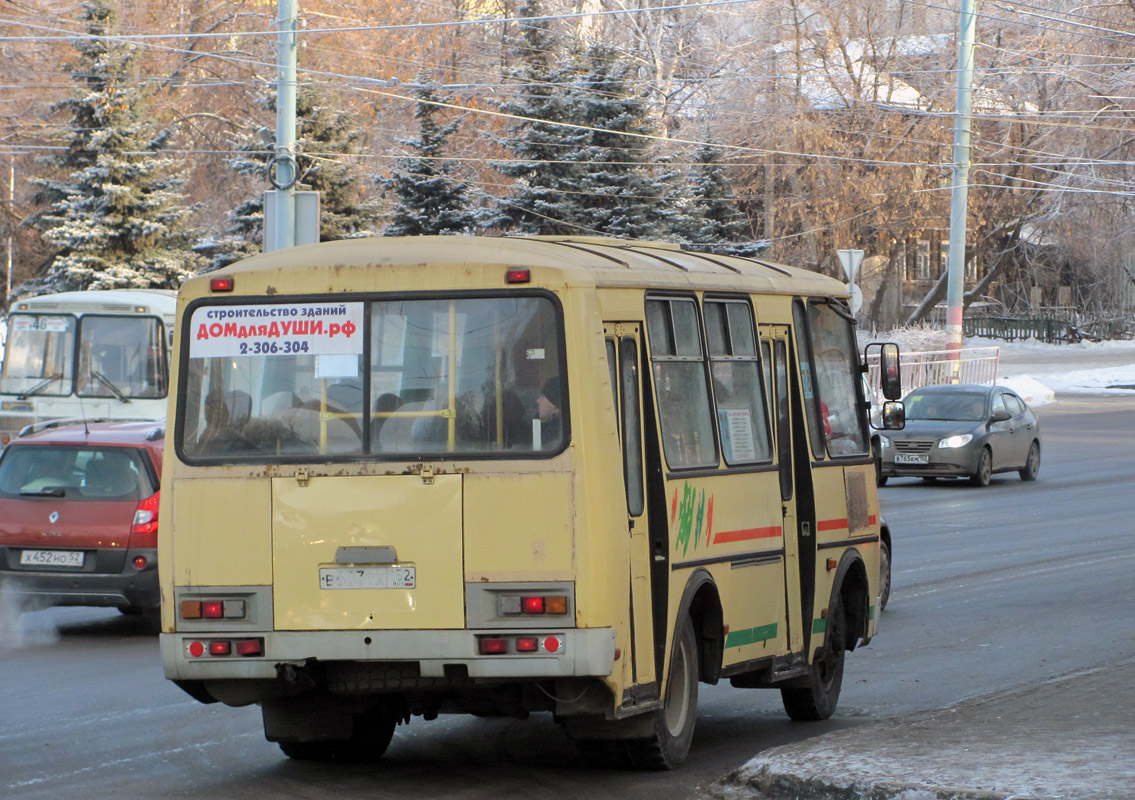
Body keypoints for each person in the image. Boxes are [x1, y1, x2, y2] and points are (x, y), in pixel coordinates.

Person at [535, 376, 563, 447]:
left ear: (556, 406)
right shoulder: (551, 426)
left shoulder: (556, 433)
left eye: (544, 396)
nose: (538, 400)